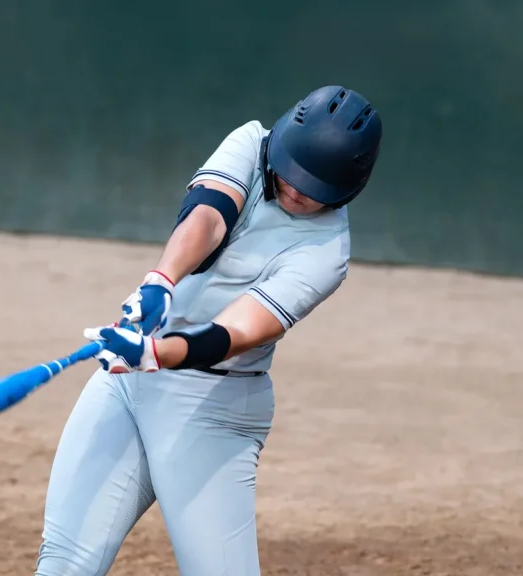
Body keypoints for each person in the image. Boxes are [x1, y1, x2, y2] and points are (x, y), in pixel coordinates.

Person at [34, 85, 383, 576]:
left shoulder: (327, 254)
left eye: (314, 188)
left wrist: (157, 352)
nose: (295, 189)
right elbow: (209, 217)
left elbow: (237, 330)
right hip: (127, 385)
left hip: (211, 408)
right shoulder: (249, 142)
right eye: (291, 171)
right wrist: (160, 280)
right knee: (64, 563)